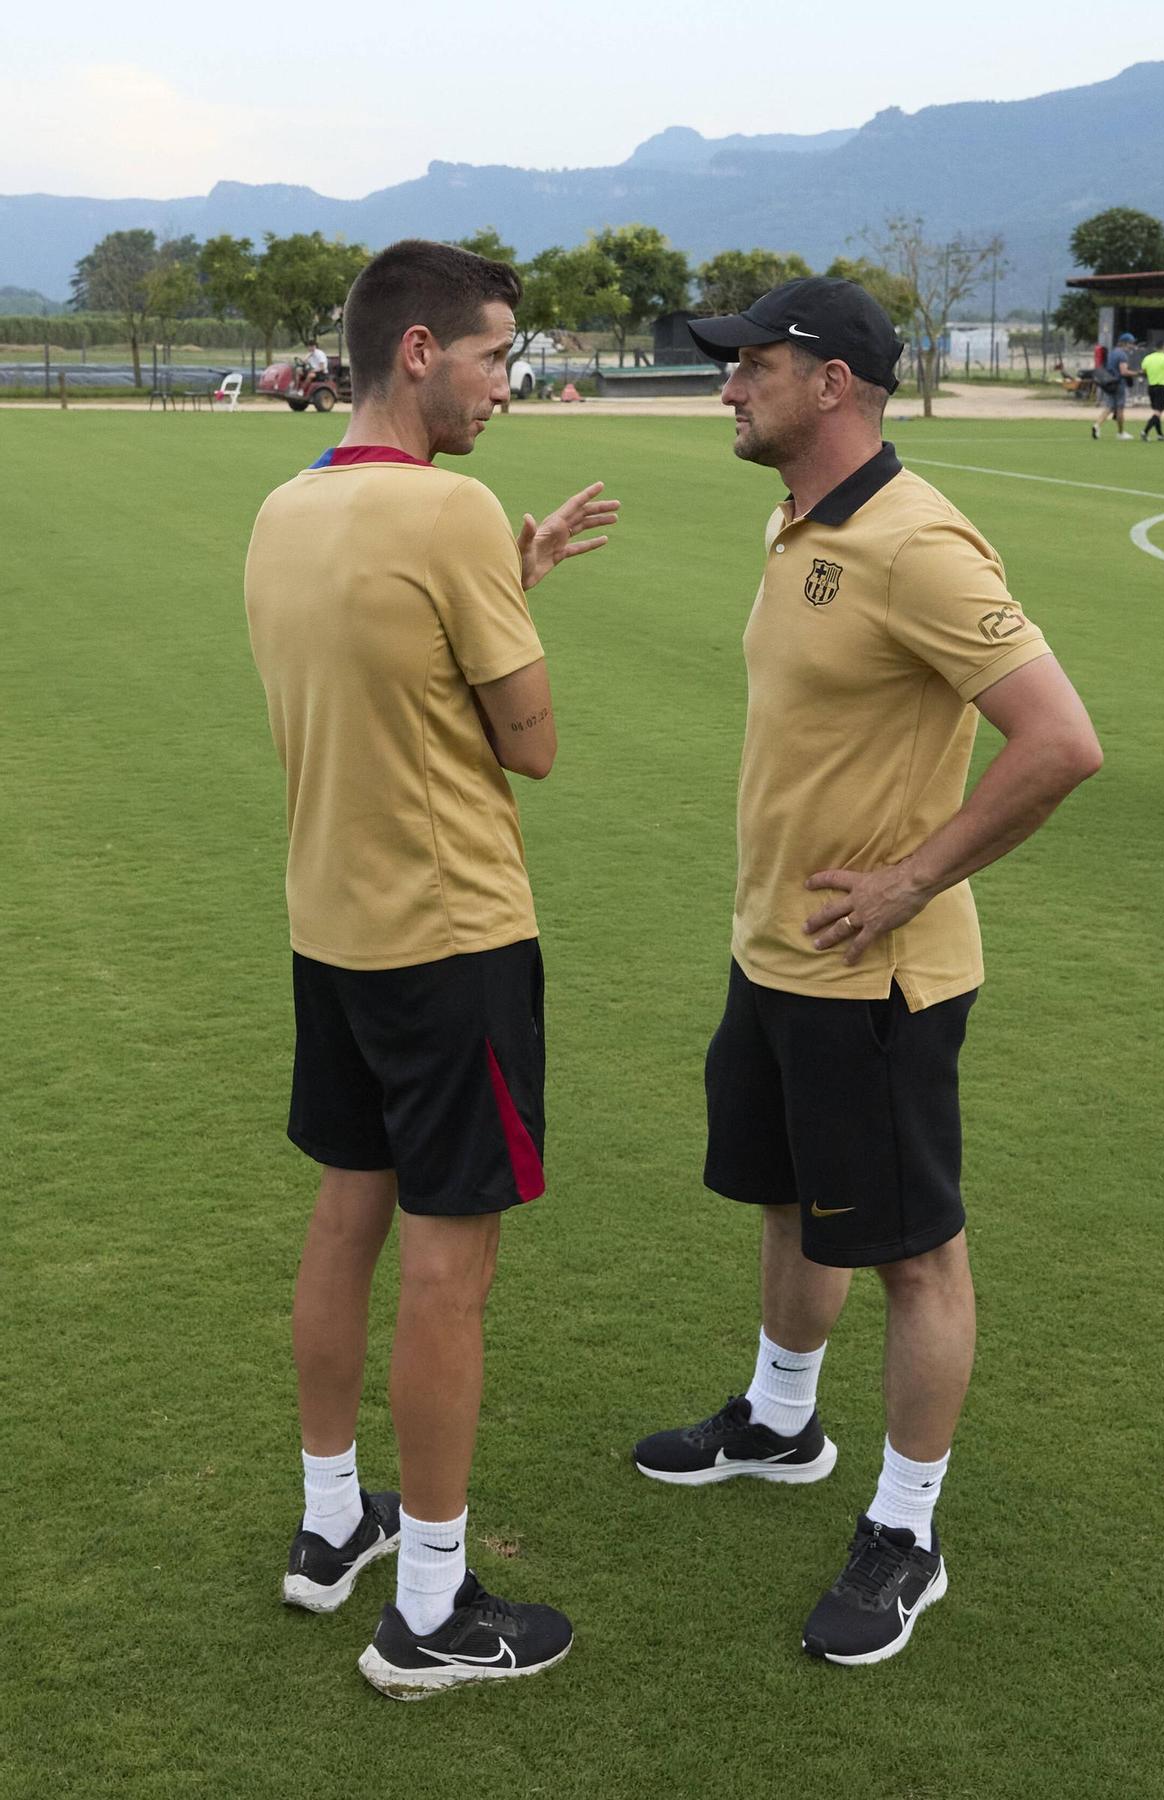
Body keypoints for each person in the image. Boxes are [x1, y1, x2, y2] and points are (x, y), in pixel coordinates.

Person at [632, 276, 1102, 1666]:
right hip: (776, 956)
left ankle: (907, 1530)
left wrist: (911, 878)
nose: (727, 387)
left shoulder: (918, 545)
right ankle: (782, 1424)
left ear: (832, 381)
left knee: (914, 1258)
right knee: (786, 1202)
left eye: (751, 367)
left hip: (879, 982)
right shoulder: (796, 521)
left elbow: (1060, 742)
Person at [244, 239, 618, 1698]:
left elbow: (381, 670)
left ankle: (334, 1523)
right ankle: (434, 1611)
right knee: (451, 1263)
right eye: (496, 358)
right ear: (418, 352)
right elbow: (527, 740)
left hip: (332, 930)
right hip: (452, 939)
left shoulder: (286, 507)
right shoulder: (449, 508)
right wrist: (505, 585)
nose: (505, 389)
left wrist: (500, 582)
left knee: (349, 1218)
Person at [1092, 331, 1137, 439]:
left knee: (1109, 407)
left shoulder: (1113, 353)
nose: (1132, 346)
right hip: (1119, 384)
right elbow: (1124, 372)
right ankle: (1121, 433)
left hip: (1110, 383)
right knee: (1120, 408)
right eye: (1131, 343)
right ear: (1125, 343)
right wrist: (1138, 373)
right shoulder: (1122, 355)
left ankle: (1096, 425)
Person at [1139, 340, 1164, 440]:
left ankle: (1160, 435)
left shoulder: (1148, 358)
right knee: (1158, 412)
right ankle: (1145, 431)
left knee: (1157, 411)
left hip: (1151, 387)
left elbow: (1143, 373)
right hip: (1162, 387)